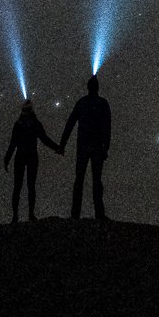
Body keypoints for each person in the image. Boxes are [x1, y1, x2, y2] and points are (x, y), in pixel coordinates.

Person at [58, 71, 113, 221]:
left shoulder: (81, 103)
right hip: (96, 147)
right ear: (98, 88)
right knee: (96, 180)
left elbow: (70, 124)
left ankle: (75, 214)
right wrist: (105, 147)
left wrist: (62, 144)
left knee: (79, 180)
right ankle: (99, 214)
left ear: (88, 88)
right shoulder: (103, 104)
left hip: (82, 146)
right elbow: (107, 127)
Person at [3, 94, 58, 225]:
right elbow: (44, 139)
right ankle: (30, 215)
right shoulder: (35, 124)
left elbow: (13, 143)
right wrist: (58, 148)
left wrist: (7, 159)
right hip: (31, 156)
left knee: (18, 187)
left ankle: (16, 217)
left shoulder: (18, 125)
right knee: (29, 186)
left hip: (21, 156)